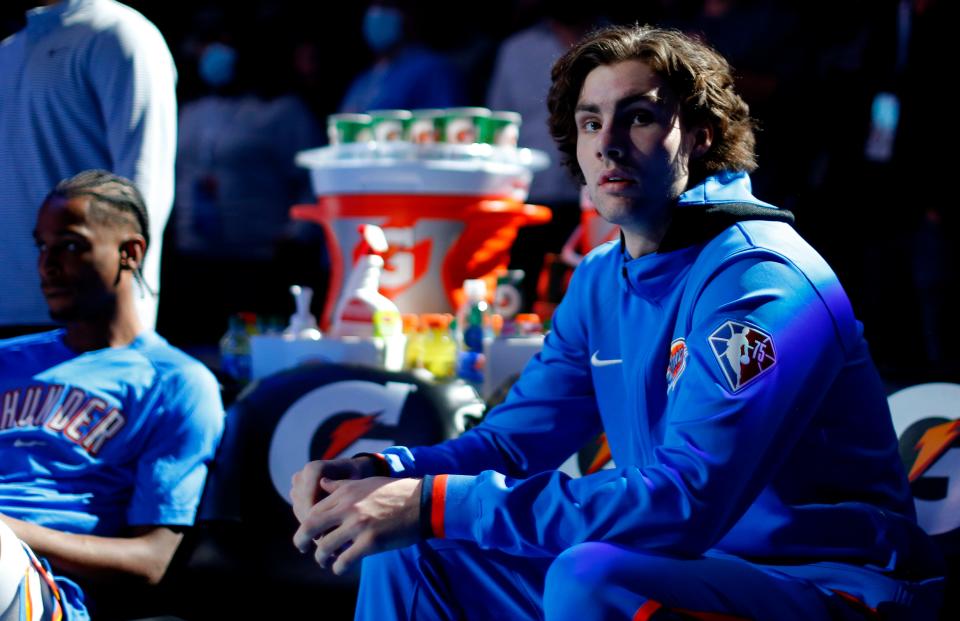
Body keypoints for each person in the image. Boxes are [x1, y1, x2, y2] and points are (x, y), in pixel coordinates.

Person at [290, 25, 944, 620]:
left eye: (637, 118)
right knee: (412, 548)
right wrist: (384, 470)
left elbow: (686, 500)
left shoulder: (761, 279)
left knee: (591, 576)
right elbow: (512, 445)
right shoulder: (604, 274)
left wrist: (435, 501)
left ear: (698, 135)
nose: (607, 144)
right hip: (688, 565)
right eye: (590, 121)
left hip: (830, 585)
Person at [0, 171, 224, 621]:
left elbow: (153, 560)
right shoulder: (7, 359)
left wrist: (10, 531)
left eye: (69, 245)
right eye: (42, 247)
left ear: (130, 252)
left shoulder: (177, 382)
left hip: (43, 588)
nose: (46, 266)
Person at [0, 0, 177, 334]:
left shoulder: (120, 34)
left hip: (86, 320)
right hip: (8, 315)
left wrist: (127, 324)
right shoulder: (8, 52)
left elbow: (145, 184)